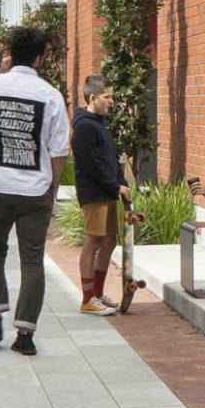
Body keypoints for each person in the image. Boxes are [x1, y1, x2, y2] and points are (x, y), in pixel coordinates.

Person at [0, 24, 72, 355]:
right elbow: (59, 151)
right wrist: (52, 192)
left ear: (10, 54)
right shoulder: (52, 96)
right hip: (35, 191)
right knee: (32, 259)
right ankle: (25, 335)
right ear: (39, 59)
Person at [70, 75, 127, 315]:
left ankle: (98, 293)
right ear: (92, 97)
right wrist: (114, 187)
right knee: (93, 241)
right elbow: (90, 164)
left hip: (108, 190)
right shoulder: (84, 125)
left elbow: (111, 158)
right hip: (94, 193)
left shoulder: (102, 123)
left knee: (109, 240)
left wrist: (121, 183)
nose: (110, 101)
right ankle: (87, 298)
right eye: (107, 97)